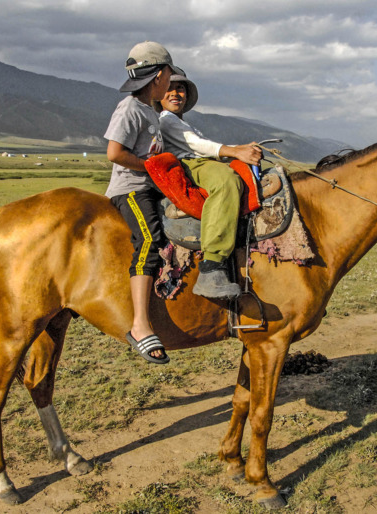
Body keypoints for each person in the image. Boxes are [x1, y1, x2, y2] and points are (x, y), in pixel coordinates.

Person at [157, 69, 262, 299]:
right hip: (192, 165)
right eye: (169, 88)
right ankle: (212, 266)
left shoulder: (182, 122)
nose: (176, 93)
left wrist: (240, 149)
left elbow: (205, 144)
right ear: (159, 94)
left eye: (181, 88)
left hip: (202, 161)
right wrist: (234, 151)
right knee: (226, 181)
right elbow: (196, 146)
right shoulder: (166, 120)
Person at [104, 41, 176, 364]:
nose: (171, 83)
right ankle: (139, 324)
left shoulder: (151, 111)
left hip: (148, 187)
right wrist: (149, 166)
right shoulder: (130, 109)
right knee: (148, 239)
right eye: (170, 76)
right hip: (130, 189)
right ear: (159, 76)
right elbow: (114, 153)